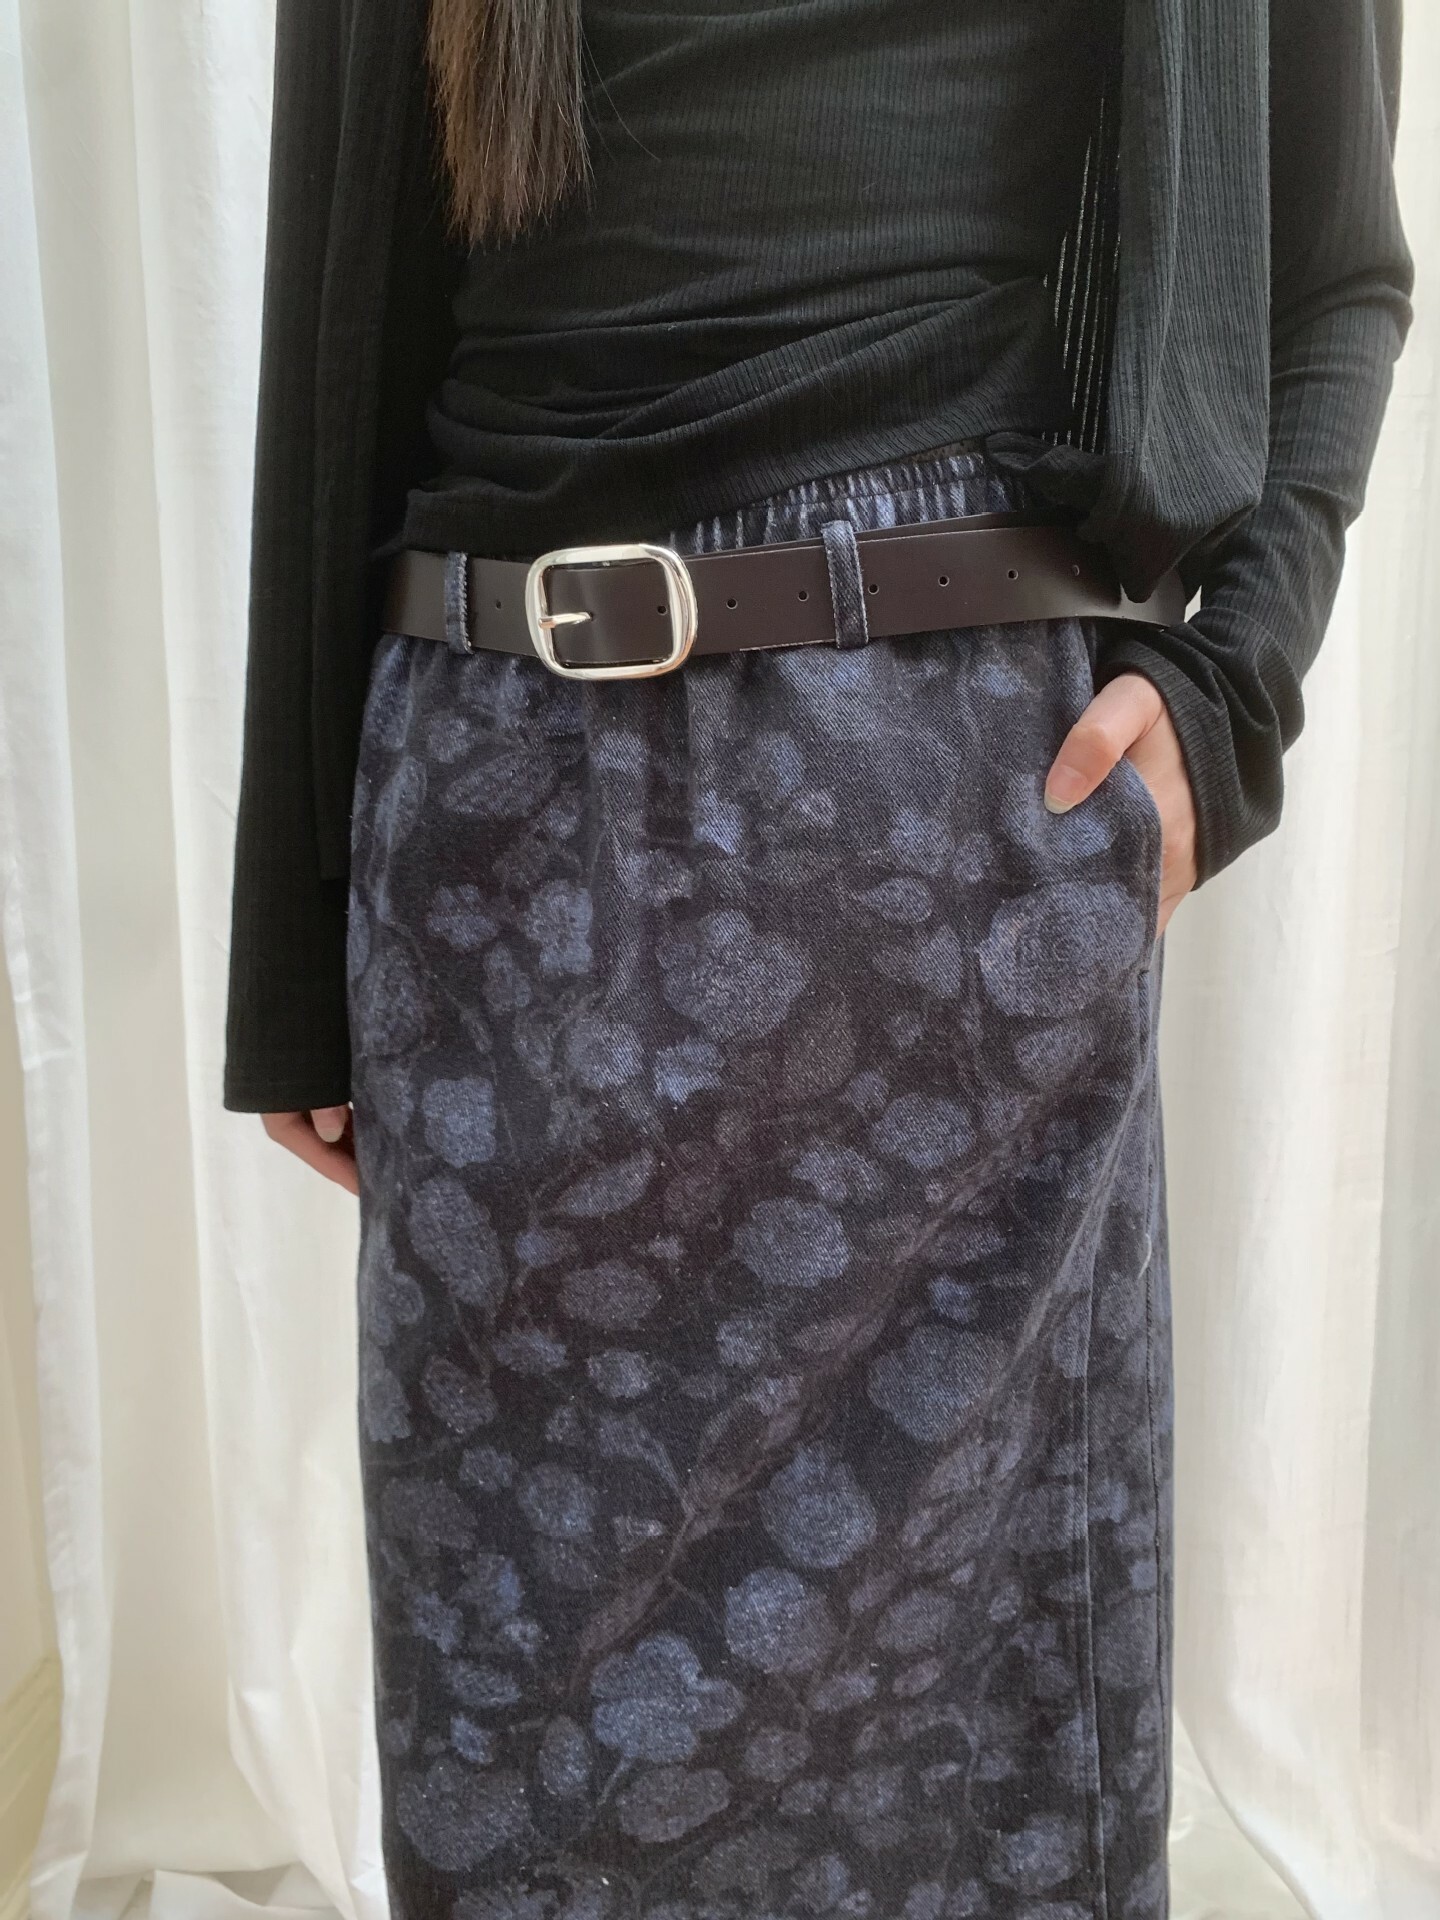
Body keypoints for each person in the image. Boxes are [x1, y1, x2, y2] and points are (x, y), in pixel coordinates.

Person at [223, 1, 1412, 1914]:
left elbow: (1336, 271)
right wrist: (291, 947)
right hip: (500, 847)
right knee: (523, 1788)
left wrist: (1231, 688)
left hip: (953, 845)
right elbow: (338, 292)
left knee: (978, 1824)